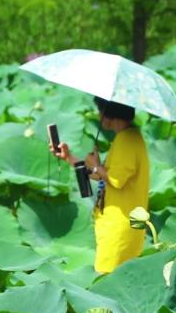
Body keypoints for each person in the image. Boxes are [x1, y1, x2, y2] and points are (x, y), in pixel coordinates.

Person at [51, 97, 150, 273]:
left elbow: (116, 181)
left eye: (100, 110)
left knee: (105, 284)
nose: (98, 115)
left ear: (109, 113)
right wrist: (69, 157)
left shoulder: (127, 141)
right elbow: (102, 176)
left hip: (119, 228)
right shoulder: (128, 137)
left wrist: (96, 164)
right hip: (118, 225)